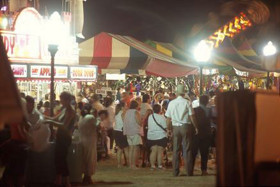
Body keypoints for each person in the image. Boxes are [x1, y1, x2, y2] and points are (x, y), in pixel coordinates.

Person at [44, 92, 76, 187]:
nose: (60, 101)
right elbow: (55, 118)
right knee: (58, 159)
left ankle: (66, 182)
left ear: (67, 100)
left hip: (65, 138)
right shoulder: (65, 109)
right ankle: (59, 181)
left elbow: (64, 126)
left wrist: (48, 121)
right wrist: (44, 117)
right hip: (60, 137)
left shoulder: (71, 111)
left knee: (62, 159)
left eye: (62, 99)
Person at [165, 84, 197, 177]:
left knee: (175, 150)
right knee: (187, 149)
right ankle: (189, 172)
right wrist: (196, 126)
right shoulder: (187, 102)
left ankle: (175, 172)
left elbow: (168, 118)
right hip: (185, 126)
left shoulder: (171, 103)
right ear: (184, 93)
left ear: (177, 93)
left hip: (175, 127)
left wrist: (168, 129)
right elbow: (192, 116)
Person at [192, 95, 212, 176]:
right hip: (206, 133)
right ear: (207, 101)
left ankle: (191, 169)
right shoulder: (209, 110)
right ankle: (204, 170)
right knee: (205, 152)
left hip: (196, 133)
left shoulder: (195, 110)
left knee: (193, 152)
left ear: (199, 101)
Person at [78, 103, 97, 185]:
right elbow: (97, 125)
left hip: (82, 139)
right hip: (90, 140)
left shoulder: (81, 117)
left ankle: (85, 176)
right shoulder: (91, 118)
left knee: (84, 159)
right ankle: (88, 177)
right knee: (90, 159)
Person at [147, 104, 168, 170]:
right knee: (160, 151)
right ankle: (160, 165)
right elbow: (165, 127)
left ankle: (152, 166)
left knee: (153, 150)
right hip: (161, 136)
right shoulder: (162, 117)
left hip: (151, 136)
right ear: (160, 109)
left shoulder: (150, 116)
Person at [123, 100, 142, 169]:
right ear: (136, 106)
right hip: (135, 131)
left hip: (128, 131)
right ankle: (133, 165)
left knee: (131, 148)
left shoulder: (127, 112)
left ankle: (130, 164)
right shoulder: (136, 112)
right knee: (134, 148)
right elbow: (139, 122)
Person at [113, 102, 129, 168]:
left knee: (119, 148)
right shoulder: (123, 113)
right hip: (121, 131)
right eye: (126, 105)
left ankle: (119, 164)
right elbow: (125, 122)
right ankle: (128, 163)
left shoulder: (117, 114)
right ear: (122, 107)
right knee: (126, 148)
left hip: (116, 131)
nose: (127, 107)